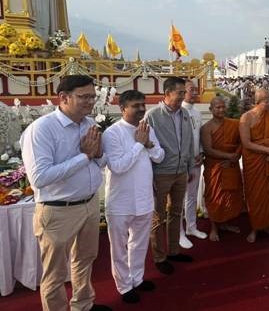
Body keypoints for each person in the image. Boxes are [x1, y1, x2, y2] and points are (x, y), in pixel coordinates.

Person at [20, 75, 111, 311]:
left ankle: (83, 304)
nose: (90, 102)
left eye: (92, 96)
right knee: (55, 272)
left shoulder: (88, 123)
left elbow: (100, 163)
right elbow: (40, 178)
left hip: (89, 204)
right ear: (63, 97)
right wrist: (84, 156)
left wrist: (98, 154)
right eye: (84, 97)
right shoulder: (41, 130)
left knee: (85, 260)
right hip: (58, 210)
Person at [102, 90, 164, 303]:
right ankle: (124, 286)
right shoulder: (112, 133)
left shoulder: (147, 129)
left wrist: (148, 144)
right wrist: (139, 144)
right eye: (135, 105)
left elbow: (159, 156)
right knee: (119, 246)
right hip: (121, 200)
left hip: (144, 198)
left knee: (139, 242)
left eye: (142, 105)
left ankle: (137, 278)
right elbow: (118, 167)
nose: (140, 109)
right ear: (122, 109)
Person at [146, 76, 196, 275]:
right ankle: (159, 257)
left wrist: (189, 166)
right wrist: (149, 176)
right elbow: (146, 146)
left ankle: (174, 251)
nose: (184, 96)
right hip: (161, 173)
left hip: (181, 172)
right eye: (180, 93)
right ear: (167, 94)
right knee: (158, 216)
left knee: (176, 212)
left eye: (184, 92)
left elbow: (189, 140)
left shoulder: (184, 113)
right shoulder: (152, 116)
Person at [240, 88, 269, 243]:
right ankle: (255, 227)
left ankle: (267, 225)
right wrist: (268, 150)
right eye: (266, 100)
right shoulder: (246, 118)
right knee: (255, 195)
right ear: (258, 102)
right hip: (254, 161)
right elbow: (246, 143)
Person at [200, 97, 243, 242]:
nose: (221, 110)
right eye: (218, 107)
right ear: (211, 109)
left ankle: (225, 223)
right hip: (215, 167)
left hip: (231, 166)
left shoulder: (234, 124)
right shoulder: (206, 128)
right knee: (214, 197)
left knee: (230, 195)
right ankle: (214, 227)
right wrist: (229, 156)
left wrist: (236, 156)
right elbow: (208, 150)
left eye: (223, 107)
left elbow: (241, 142)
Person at [179, 80, 208, 249]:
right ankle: (180, 232)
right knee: (179, 199)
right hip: (182, 164)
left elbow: (199, 136)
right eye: (191, 90)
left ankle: (191, 227)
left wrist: (201, 153)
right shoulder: (178, 113)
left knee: (191, 196)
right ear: (182, 92)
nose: (195, 93)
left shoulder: (196, 112)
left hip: (196, 161)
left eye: (196, 90)